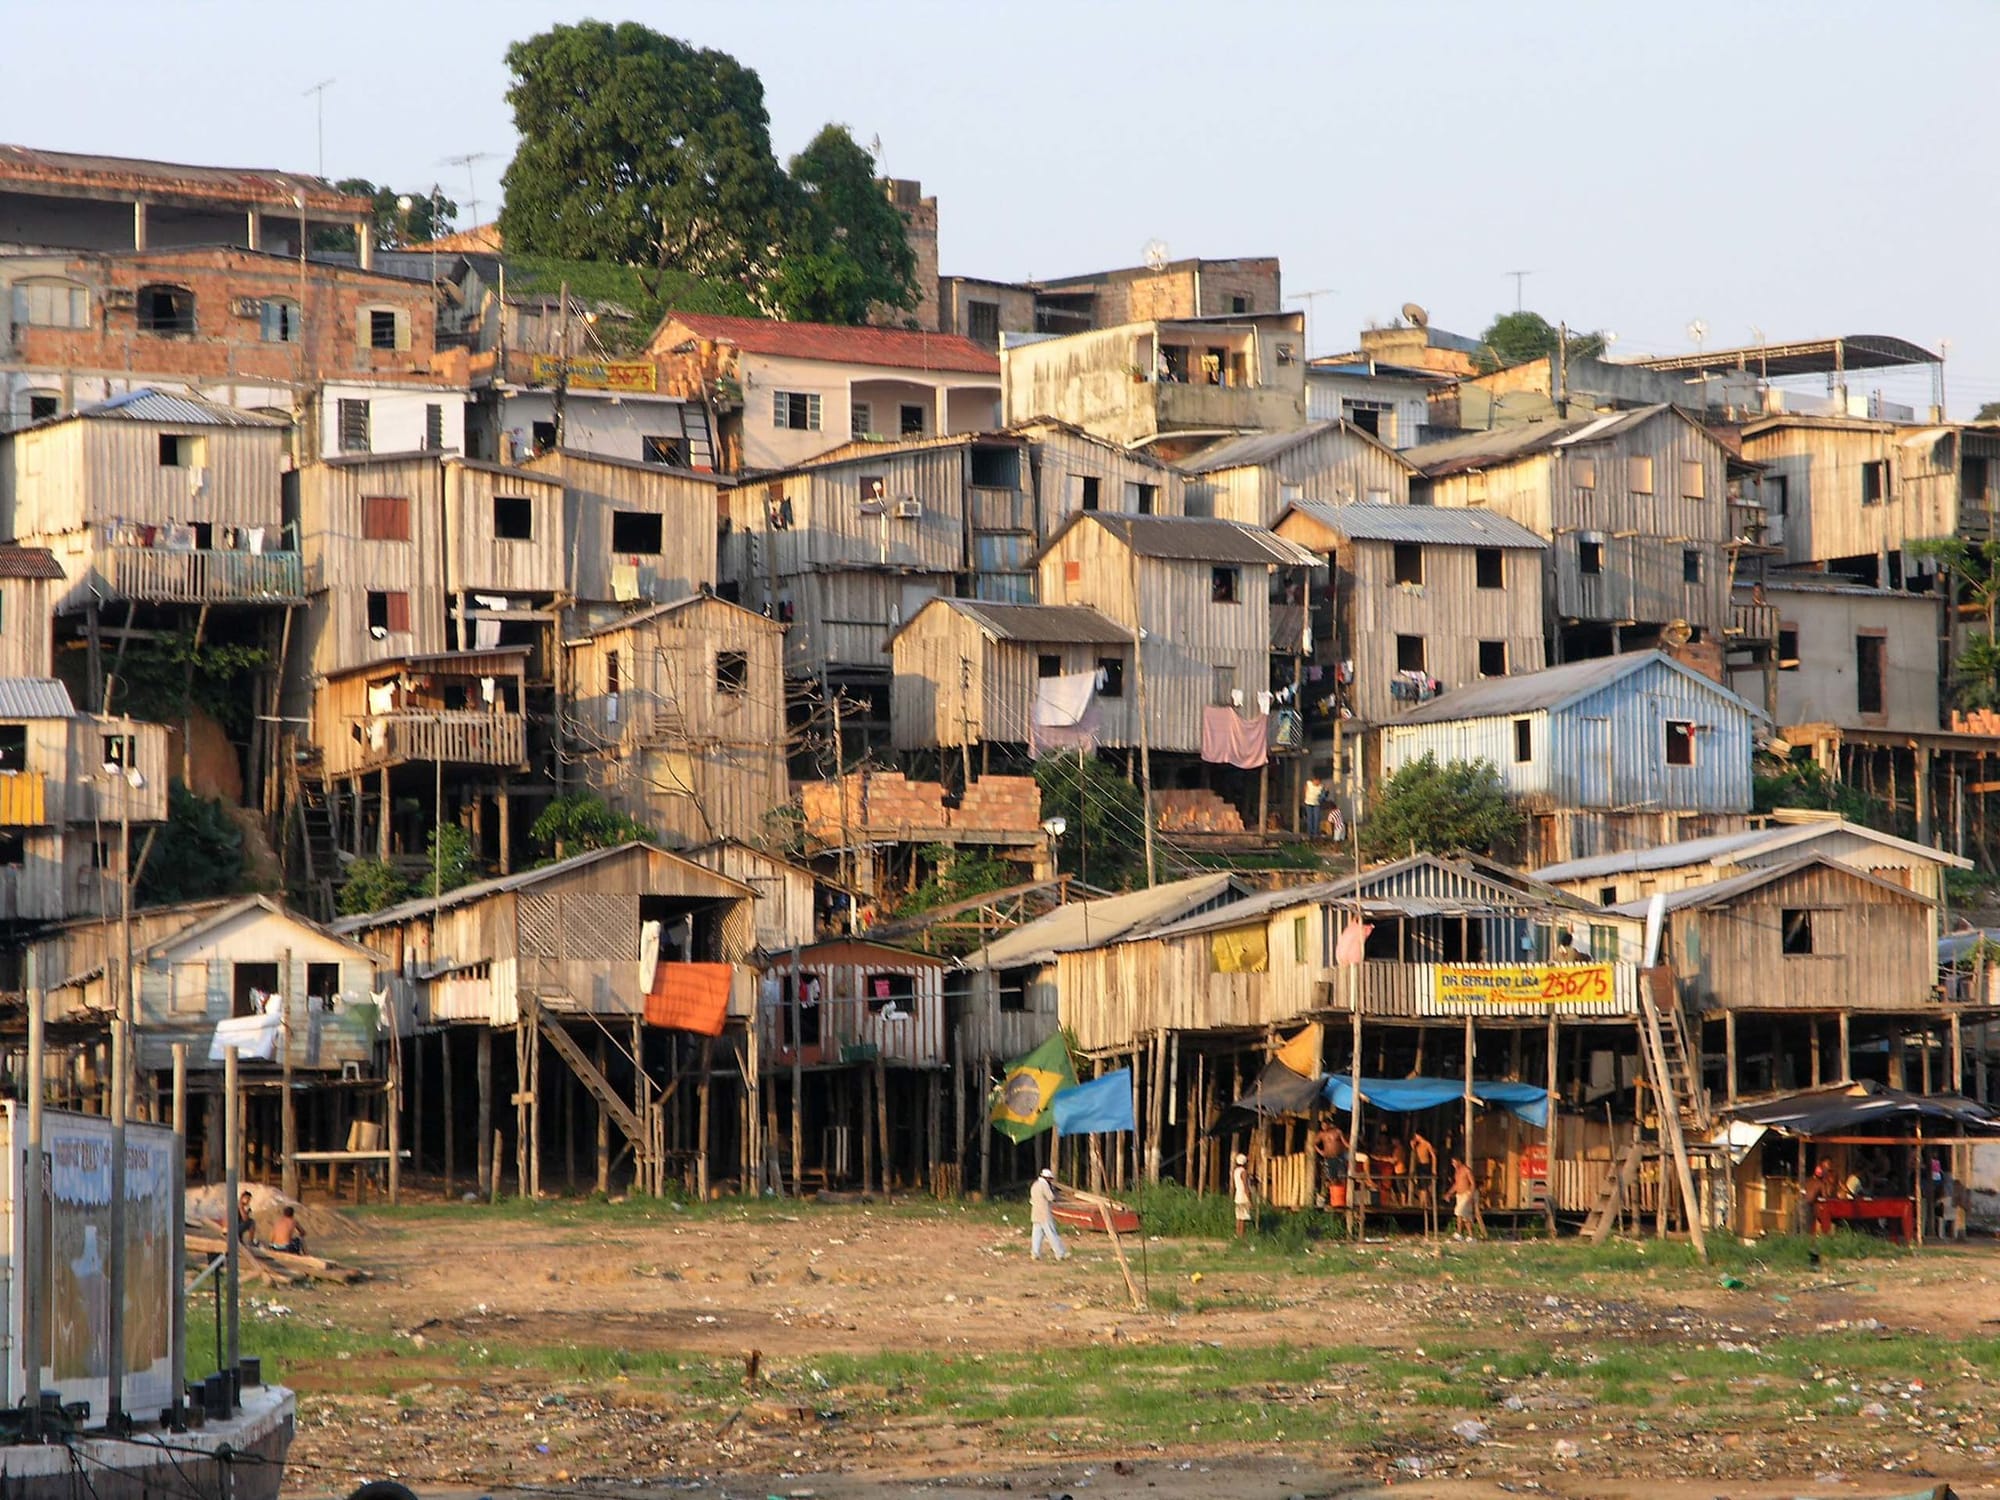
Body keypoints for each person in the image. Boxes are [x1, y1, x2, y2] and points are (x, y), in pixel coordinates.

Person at [1028, 1167, 1067, 1262]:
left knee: (1036, 1235)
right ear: (1047, 1178)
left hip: (1035, 1213)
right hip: (1044, 1213)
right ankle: (1060, 1253)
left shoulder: (1035, 1185)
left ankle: (1035, 1253)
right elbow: (1050, 1197)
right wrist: (1058, 1196)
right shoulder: (1044, 1185)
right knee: (1052, 1233)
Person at [1312, 1119, 1349, 1206]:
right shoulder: (1321, 1134)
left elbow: (1345, 1143)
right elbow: (1314, 1143)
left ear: (1329, 1125)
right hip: (1328, 1159)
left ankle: (1342, 1200)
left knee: (1342, 1178)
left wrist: (1351, 1147)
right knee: (1332, 1179)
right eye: (1322, 1125)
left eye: (1325, 1125)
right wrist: (1320, 1152)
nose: (1323, 1127)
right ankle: (1334, 1200)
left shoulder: (1337, 1132)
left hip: (1339, 1158)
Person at [1799, 1158, 1835, 1235]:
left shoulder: (1807, 1181)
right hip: (1808, 1206)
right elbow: (1826, 1197)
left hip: (1799, 1204)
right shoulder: (1820, 1184)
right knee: (1808, 1230)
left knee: (1797, 1229)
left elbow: (1802, 1192)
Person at [1451, 1157, 1478, 1240]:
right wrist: (1449, 1193)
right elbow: (1456, 1184)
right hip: (1459, 1195)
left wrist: (1471, 1196)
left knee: (1459, 1212)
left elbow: (1473, 1183)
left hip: (1466, 1194)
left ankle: (1459, 1233)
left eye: (1454, 1162)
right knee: (1465, 1216)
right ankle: (1470, 1236)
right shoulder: (1457, 1172)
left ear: (1459, 1161)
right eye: (1452, 1163)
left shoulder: (1467, 1170)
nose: (1453, 1164)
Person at [1409, 1132, 1439, 1207]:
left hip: (1425, 1165)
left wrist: (1434, 1169)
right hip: (1419, 1165)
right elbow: (1415, 1155)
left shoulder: (1427, 1144)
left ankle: (1425, 1203)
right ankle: (1421, 1203)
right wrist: (1413, 1147)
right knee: (1420, 1185)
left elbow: (1433, 1156)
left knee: (1424, 1185)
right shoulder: (1417, 1145)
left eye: (1416, 1136)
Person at [1232, 1153, 1255, 1238]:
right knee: (1243, 1218)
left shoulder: (1236, 1171)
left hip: (1237, 1196)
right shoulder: (1243, 1172)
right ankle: (1241, 1236)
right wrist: (1250, 1199)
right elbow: (1246, 1186)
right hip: (1243, 1197)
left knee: (1239, 1217)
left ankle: (1237, 1235)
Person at [1303, 774, 1325, 839]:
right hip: (1308, 803)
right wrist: (1304, 798)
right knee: (1310, 818)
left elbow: (1322, 795)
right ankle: (1310, 833)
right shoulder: (1309, 783)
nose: (1318, 782)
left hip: (1316, 804)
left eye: (1319, 781)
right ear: (1314, 780)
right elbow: (1305, 790)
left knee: (1316, 818)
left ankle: (1315, 833)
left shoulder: (1321, 786)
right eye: (1317, 781)